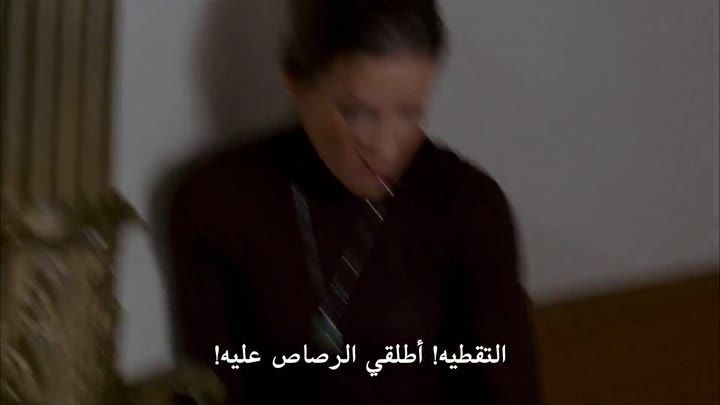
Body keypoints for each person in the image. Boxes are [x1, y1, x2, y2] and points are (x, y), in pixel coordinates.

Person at [160, 0, 542, 403]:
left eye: (410, 113)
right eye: (358, 113)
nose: (386, 147)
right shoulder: (217, 204)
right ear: (297, 81)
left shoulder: (465, 206)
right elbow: (212, 388)